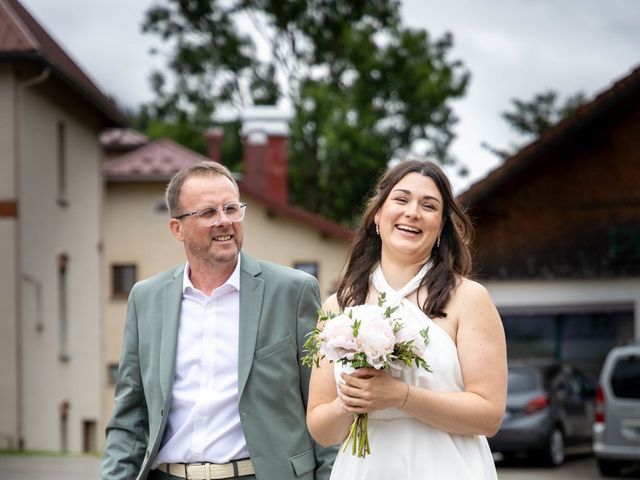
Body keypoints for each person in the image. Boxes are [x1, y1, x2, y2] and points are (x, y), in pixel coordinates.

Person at [102, 161, 335, 480]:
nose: (224, 221)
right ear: (177, 228)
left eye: (231, 208)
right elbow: (129, 417)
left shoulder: (293, 292)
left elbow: (321, 407)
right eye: (208, 213)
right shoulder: (146, 298)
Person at [306, 160, 507, 479]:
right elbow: (322, 429)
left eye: (429, 206)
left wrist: (401, 396)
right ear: (377, 216)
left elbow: (489, 416)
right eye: (401, 200)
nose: (412, 212)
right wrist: (350, 401)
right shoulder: (339, 305)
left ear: (441, 226)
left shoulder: (468, 299)